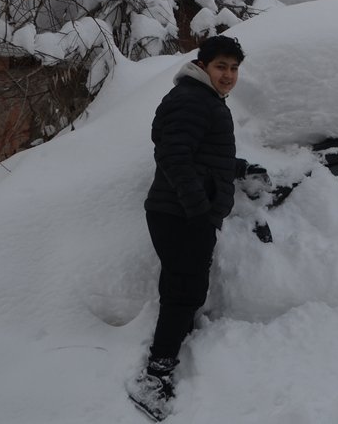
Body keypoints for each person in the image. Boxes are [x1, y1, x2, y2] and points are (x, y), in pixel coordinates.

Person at [127, 35, 253, 422]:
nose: (229, 75)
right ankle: (154, 376)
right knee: (182, 290)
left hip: (183, 212)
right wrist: (199, 207)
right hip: (181, 214)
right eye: (221, 66)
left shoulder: (201, 98)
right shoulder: (192, 99)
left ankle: (169, 353)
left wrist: (233, 169)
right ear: (203, 65)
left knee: (187, 287)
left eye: (233, 68)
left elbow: (193, 151)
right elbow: (172, 154)